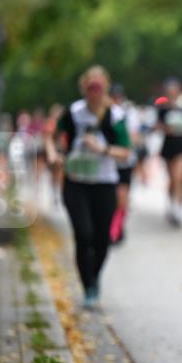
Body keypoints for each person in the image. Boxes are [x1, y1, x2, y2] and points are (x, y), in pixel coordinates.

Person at [46, 66, 131, 310]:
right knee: (84, 235)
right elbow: (51, 137)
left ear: (105, 88)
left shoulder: (114, 116)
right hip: (75, 182)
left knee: (102, 240)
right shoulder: (73, 112)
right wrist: (54, 154)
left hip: (104, 184)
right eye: (90, 87)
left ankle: (93, 278)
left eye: (99, 87)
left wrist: (102, 149)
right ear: (83, 87)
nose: (94, 92)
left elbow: (125, 153)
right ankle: (89, 287)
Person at [156, 78, 182, 227]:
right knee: (172, 179)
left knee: (179, 177)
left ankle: (178, 209)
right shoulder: (162, 108)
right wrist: (167, 129)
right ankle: (171, 204)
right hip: (168, 146)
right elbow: (158, 126)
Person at [109, 84, 141, 244]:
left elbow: (135, 137)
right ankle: (110, 227)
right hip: (107, 161)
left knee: (122, 198)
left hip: (124, 162)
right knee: (110, 198)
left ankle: (116, 229)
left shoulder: (129, 113)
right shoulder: (104, 112)